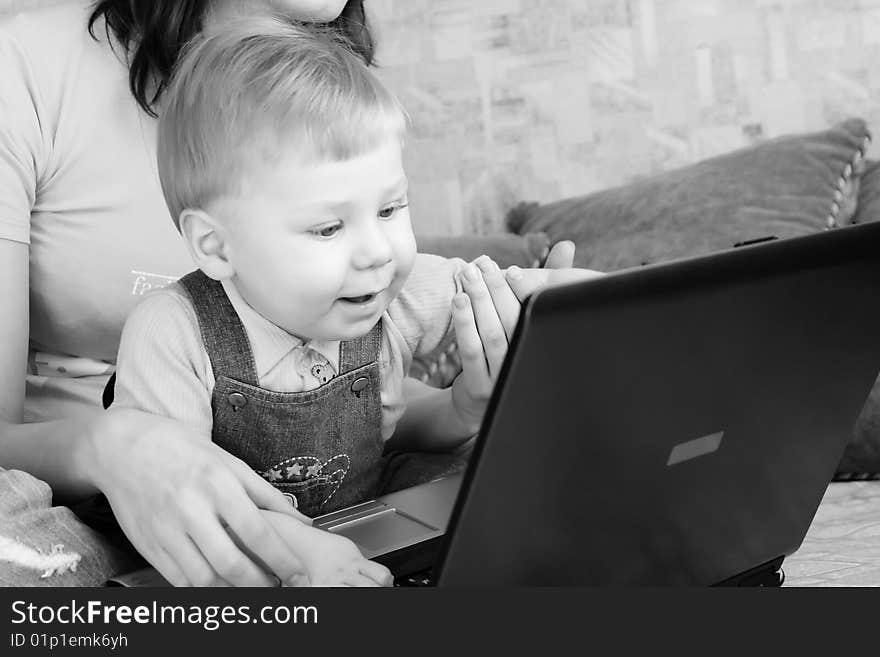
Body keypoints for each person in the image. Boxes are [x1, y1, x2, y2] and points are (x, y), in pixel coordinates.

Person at [0, 0, 588, 587]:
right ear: (213, 246)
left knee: (561, 477)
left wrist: (541, 327)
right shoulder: (169, 329)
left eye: (390, 209)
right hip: (145, 515)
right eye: (328, 228)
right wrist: (294, 550)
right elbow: (185, 487)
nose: (377, 253)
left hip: (359, 499)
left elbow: (487, 303)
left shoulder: (380, 270)